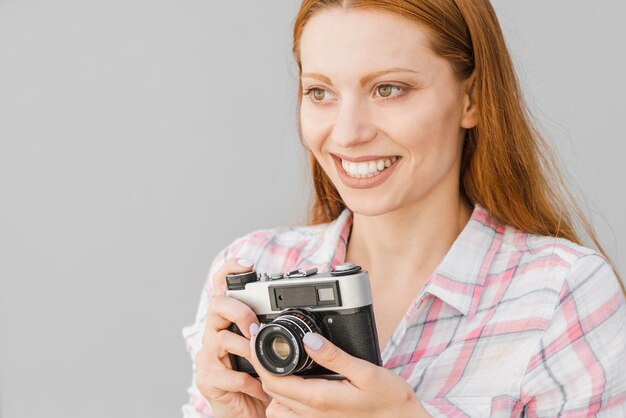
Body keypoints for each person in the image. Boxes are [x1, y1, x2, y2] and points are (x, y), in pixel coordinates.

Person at [182, 1, 626, 417]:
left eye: (388, 89)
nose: (348, 132)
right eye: (320, 92)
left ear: (471, 99)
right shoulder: (254, 270)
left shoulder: (560, 294)